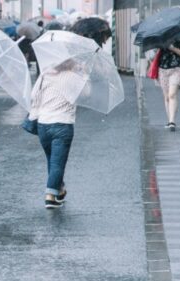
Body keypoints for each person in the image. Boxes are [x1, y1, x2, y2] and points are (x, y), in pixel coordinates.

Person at [29, 20, 111, 209]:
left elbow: (34, 95)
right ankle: (50, 194)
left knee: (52, 160)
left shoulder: (47, 72)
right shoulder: (76, 74)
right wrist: (83, 75)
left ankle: (59, 189)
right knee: (58, 163)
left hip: (43, 124)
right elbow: (86, 94)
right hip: (62, 124)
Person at [157, 36, 180, 131]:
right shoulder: (162, 37)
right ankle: (170, 121)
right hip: (163, 68)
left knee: (172, 94)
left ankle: (172, 121)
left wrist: (173, 48)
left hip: (178, 68)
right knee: (166, 97)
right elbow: (156, 55)